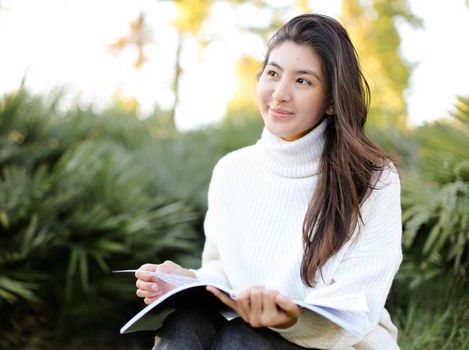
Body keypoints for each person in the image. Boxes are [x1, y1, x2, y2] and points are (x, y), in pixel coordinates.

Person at [134, 13, 402, 350]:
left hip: (341, 344)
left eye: (302, 81)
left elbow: (357, 305)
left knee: (240, 339)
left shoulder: (372, 179)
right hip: (247, 330)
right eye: (273, 74)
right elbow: (225, 272)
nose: (279, 93)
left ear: (332, 100)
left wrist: (291, 318)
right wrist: (187, 279)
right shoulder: (232, 170)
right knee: (185, 324)